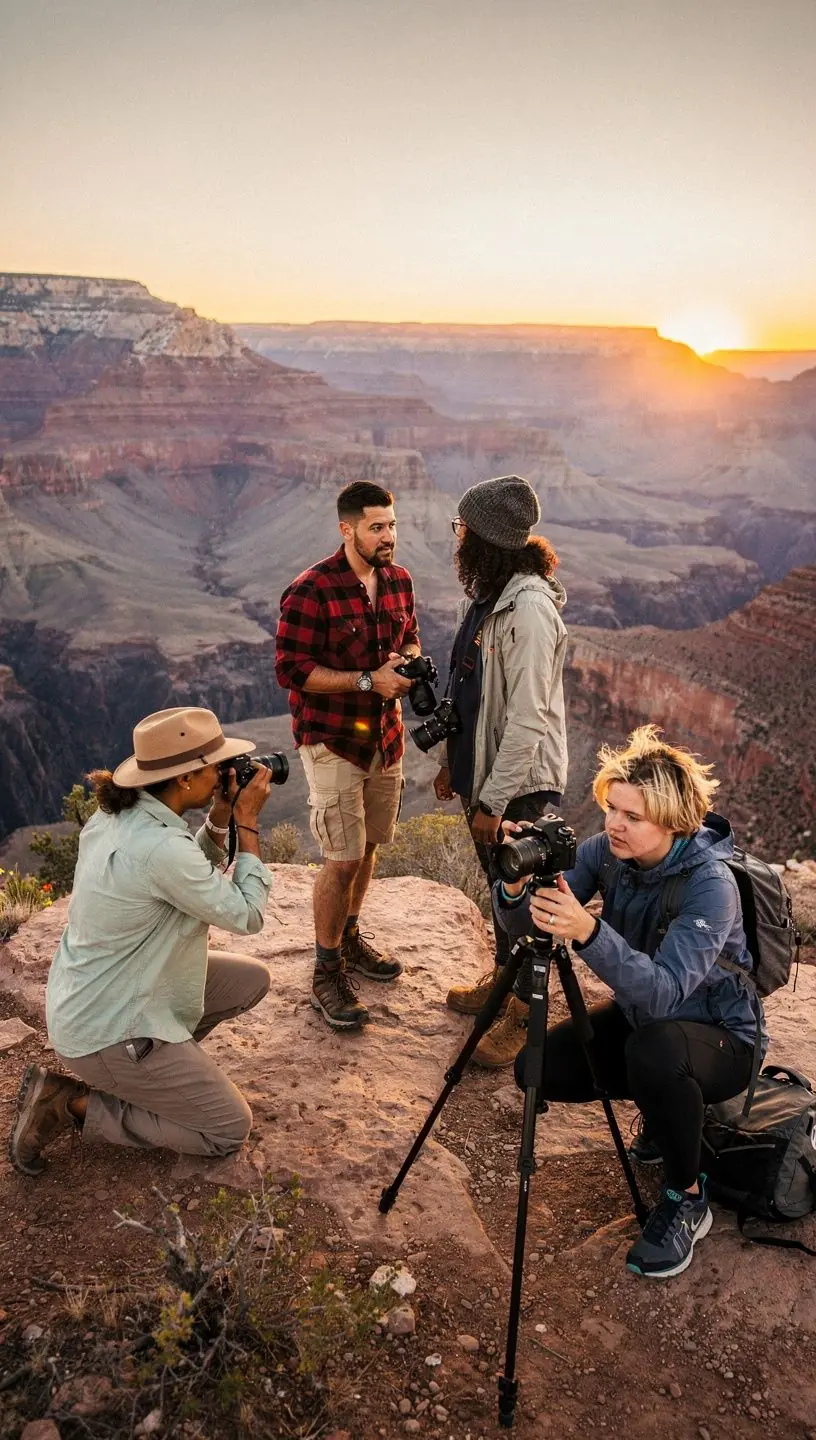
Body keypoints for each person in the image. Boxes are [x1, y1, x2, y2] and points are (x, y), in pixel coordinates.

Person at [497, 725, 766, 1279]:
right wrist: (519, 887)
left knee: (655, 1053)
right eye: (611, 808)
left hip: (720, 1037)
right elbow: (538, 922)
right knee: (534, 1069)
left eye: (632, 816)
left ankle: (688, 1198)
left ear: (672, 821)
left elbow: (667, 990)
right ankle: (666, 1114)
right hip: (647, 1022)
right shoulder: (609, 852)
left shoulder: (710, 885)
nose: (614, 824)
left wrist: (590, 932)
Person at [9, 707, 274, 1176]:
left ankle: (153, 1076)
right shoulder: (158, 847)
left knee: (249, 981)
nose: (223, 775)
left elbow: (185, 870)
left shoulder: (121, 817)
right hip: (109, 1027)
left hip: (104, 995)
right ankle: (71, 1103)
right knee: (227, 1129)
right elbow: (247, 915)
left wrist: (218, 816)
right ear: (187, 778)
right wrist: (247, 824)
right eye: (215, 766)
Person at [275, 480, 420, 1032]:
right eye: (376, 527)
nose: (388, 537)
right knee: (341, 858)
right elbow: (291, 669)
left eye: (392, 525)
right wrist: (367, 680)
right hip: (333, 740)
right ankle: (325, 970)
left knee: (369, 848)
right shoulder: (311, 589)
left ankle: (351, 936)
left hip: (386, 737)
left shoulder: (400, 580)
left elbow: (411, 637)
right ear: (347, 529)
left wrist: (406, 661)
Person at [436, 474, 569, 1068]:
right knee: (500, 888)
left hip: (518, 784)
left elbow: (528, 716)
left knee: (524, 898)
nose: (455, 537)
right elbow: (470, 688)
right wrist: (452, 767)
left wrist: (494, 800)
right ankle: (503, 982)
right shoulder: (491, 594)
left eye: (461, 528)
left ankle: (523, 1014)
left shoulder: (531, 608)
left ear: (485, 538)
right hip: (484, 777)